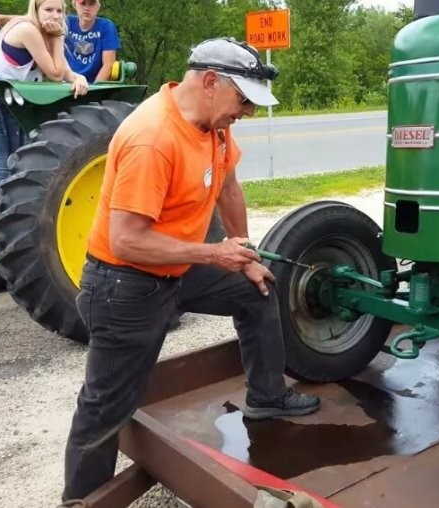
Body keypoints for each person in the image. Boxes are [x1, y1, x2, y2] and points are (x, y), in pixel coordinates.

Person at [61, 37, 321, 501]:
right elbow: (128, 240)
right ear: (209, 82)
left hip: (176, 267)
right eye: (243, 100)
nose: (247, 113)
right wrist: (213, 254)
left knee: (255, 288)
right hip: (125, 284)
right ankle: (82, 499)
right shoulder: (153, 138)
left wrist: (243, 253)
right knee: (105, 406)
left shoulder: (213, 125)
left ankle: (266, 396)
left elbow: (229, 188)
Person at [0, 0, 89, 188]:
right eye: (48, 9)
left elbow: (65, 72)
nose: (55, 15)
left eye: (59, 11)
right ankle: (4, 215)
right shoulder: (28, 31)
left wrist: (79, 78)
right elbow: (56, 74)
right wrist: (58, 37)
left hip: (13, 96)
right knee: (7, 160)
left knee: (20, 157)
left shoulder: (42, 32)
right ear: (36, 11)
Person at [0, 0, 121, 83]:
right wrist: (2, 18)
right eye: (83, 3)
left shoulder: (106, 26)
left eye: (91, 4)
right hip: (65, 81)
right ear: (75, 4)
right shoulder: (67, 22)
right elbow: (37, 19)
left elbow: (108, 64)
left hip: (90, 82)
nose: (87, 8)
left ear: (98, 6)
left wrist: (95, 90)